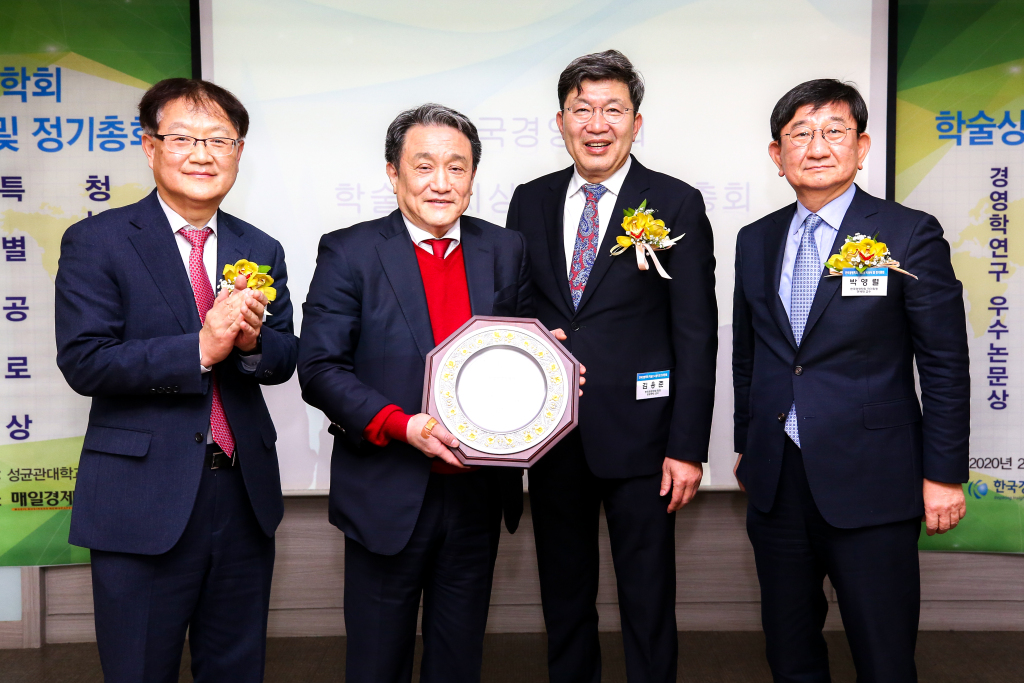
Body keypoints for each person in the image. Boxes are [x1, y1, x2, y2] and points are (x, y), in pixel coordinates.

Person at [55, 78, 298, 682]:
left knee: (237, 668)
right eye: (184, 138)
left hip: (241, 495)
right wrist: (200, 349)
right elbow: (85, 360)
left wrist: (250, 345)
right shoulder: (97, 240)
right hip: (141, 497)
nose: (202, 154)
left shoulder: (259, 246)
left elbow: (284, 357)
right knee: (139, 669)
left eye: (219, 140)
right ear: (150, 146)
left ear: (238, 152)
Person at [732, 79, 969, 682]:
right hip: (777, 479)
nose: (816, 147)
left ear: (861, 148)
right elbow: (749, 355)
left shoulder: (909, 233)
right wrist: (745, 443)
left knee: (884, 656)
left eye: (834, 131)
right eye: (799, 134)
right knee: (789, 652)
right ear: (777, 154)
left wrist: (943, 474)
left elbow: (944, 362)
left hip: (874, 477)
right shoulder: (755, 239)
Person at [297, 104, 536, 683]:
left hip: (477, 494)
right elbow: (320, 368)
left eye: (457, 167)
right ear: (393, 173)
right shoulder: (349, 251)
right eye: (424, 166)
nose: (441, 182)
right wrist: (402, 424)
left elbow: (521, 352)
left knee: (459, 661)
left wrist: (548, 370)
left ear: (473, 177)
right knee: (378, 663)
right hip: (386, 490)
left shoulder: (505, 249)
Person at [505, 50, 718, 683]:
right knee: (563, 596)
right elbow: (515, 310)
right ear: (561, 121)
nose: (597, 124)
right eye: (582, 110)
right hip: (552, 434)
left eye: (613, 110)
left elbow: (696, 334)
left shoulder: (675, 203)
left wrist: (687, 447)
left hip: (645, 439)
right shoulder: (530, 200)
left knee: (647, 598)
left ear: (636, 122)